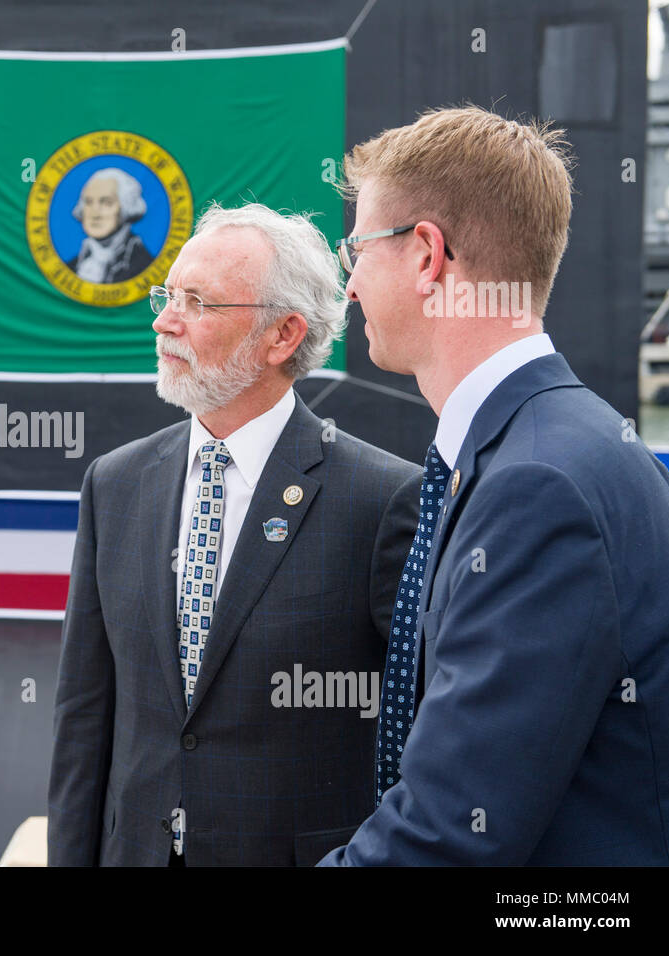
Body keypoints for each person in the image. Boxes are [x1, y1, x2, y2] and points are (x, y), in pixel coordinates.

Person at [320, 106, 669, 865]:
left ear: (427, 255)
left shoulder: (537, 488)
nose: (349, 284)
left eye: (356, 247)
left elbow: (446, 836)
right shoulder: (562, 448)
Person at [48, 201, 421, 866]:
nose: (165, 320)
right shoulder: (116, 484)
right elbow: (85, 716)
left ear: (283, 335)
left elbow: (420, 739)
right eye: (168, 295)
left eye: (198, 302)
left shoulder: (383, 499)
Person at [66, 168, 153, 283]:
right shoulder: (71, 268)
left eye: (107, 202)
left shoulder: (144, 266)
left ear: (126, 208)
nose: (95, 213)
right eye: (88, 202)